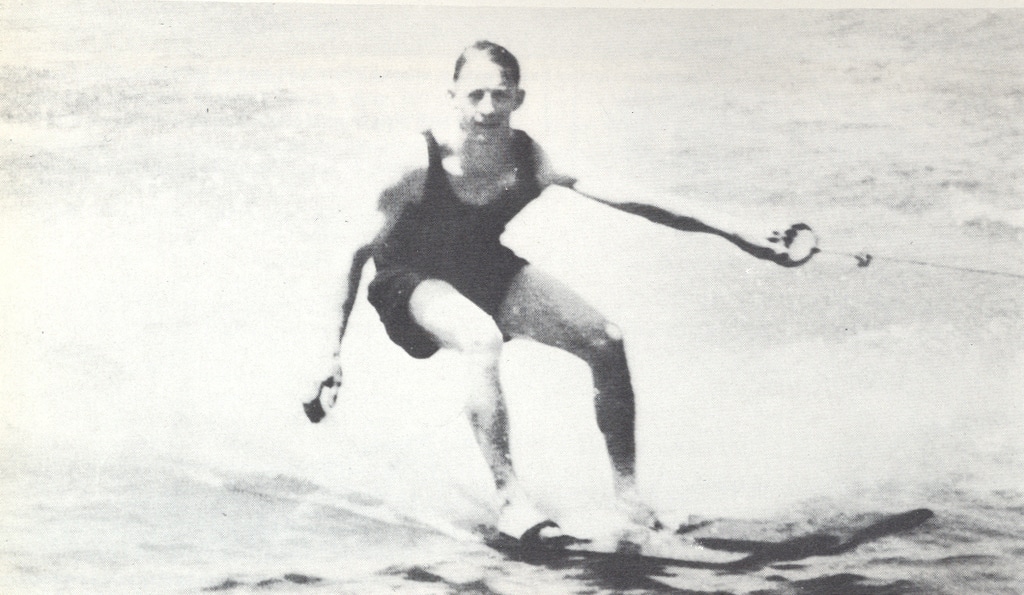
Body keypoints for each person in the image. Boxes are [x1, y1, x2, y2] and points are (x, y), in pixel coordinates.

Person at [304, 40, 818, 544]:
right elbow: (349, 254)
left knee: (605, 339)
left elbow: (640, 200)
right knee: (482, 340)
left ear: (518, 99)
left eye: (500, 96)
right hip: (406, 281)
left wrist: (738, 230)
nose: (488, 109)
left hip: (483, 267)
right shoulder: (417, 163)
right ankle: (511, 502)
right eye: (476, 95)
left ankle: (630, 498)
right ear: (453, 96)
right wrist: (329, 354)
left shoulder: (531, 158)